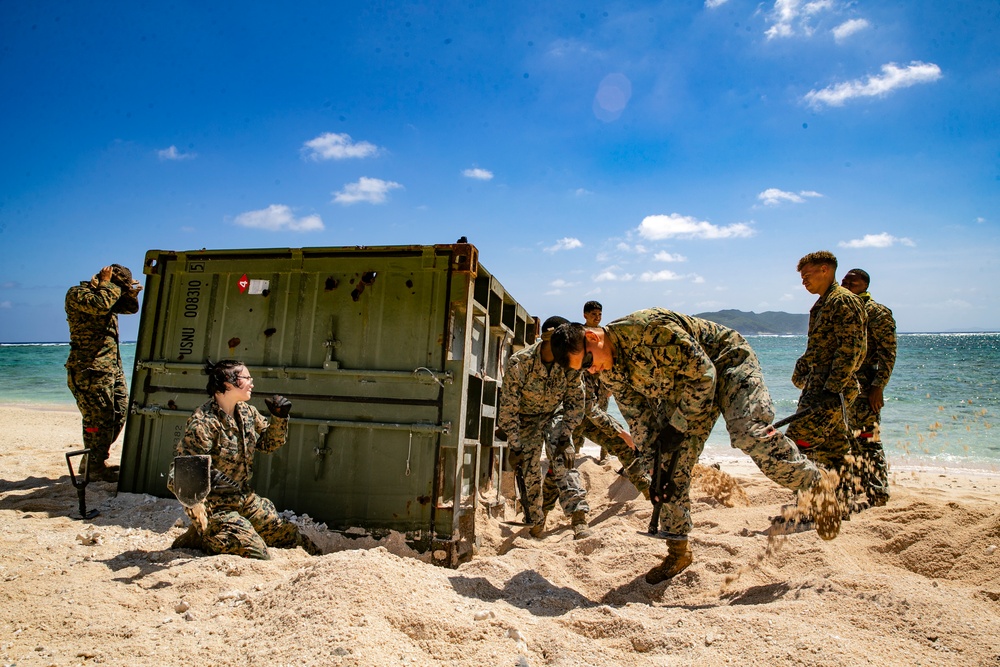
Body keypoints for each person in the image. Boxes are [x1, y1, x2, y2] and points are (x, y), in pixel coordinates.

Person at [550, 309, 841, 584]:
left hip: (726, 364)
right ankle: (678, 552)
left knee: (747, 433)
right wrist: (652, 461)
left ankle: (817, 484)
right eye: (584, 370)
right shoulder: (607, 368)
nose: (592, 370)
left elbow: (705, 375)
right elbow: (637, 415)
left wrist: (677, 426)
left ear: (592, 338)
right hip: (683, 387)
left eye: (588, 362)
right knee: (665, 466)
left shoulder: (651, 330)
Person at [167, 360, 320, 559]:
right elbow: (179, 477)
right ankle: (205, 535)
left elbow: (268, 445)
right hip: (215, 507)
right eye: (247, 378)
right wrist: (201, 516)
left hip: (243, 499)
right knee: (257, 552)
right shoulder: (204, 423)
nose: (252, 383)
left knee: (287, 535)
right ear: (228, 383)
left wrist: (279, 418)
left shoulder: (246, 413)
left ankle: (208, 534)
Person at [498, 316, 591, 539]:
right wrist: (515, 445)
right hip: (526, 418)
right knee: (529, 470)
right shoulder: (521, 362)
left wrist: (566, 436)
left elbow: (575, 401)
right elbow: (509, 407)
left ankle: (578, 517)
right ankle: (536, 521)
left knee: (563, 460)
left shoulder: (570, 363)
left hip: (554, 413)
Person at [789, 252, 867, 511]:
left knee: (799, 442)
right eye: (802, 277)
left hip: (830, 389)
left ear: (825, 270)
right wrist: (801, 369)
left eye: (807, 275)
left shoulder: (843, 301)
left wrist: (832, 390)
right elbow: (820, 347)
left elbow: (851, 349)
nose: (804, 282)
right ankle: (838, 504)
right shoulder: (825, 303)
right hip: (822, 386)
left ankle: (811, 505)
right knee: (833, 448)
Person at [65, 264, 142, 482]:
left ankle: (95, 461)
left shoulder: (107, 294)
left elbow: (129, 308)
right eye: (117, 286)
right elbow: (101, 305)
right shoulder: (78, 294)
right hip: (89, 369)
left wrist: (129, 291)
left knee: (119, 413)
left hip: (109, 369)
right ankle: (94, 466)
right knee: (97, 420)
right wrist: (108, 285)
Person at [841, 268, 896, 507]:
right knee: (845, 440)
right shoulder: (841, 310)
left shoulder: (877, 312)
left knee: (867, 438)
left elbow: (888, 353)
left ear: (865, 284)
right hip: (842, 387)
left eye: (853, 281)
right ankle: (853, 488)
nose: (847, 283)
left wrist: (878, 386)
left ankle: (878, 493)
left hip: (865, 387)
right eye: (844, 280)